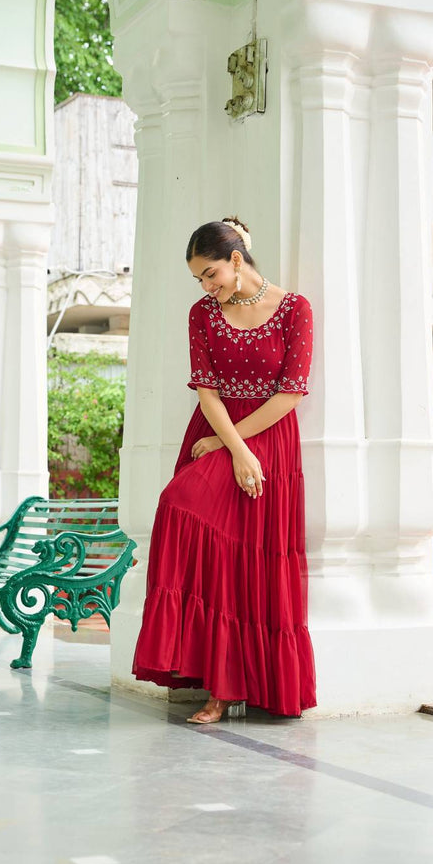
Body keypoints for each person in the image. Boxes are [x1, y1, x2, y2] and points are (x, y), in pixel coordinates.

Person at [132, 217, 316, 723]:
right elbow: (207, 392)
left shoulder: (295, 309)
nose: (206, 287)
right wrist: (233, 449)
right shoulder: (203, 314)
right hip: (218, 433)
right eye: (199, 279)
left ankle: (239, 688)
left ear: (236, 260)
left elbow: (291, 393)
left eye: (210, 274)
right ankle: (215, 681)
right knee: (179, 507)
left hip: (269, 440)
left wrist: (239, 446)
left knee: (250, 563)